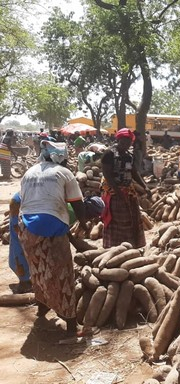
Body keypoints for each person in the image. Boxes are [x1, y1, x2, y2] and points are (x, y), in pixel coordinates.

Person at [19, 140, 87, 335]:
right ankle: (72, 326)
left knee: (39, 269)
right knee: (63, 274)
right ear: (62, 156)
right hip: (50, 224)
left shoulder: (29, 172)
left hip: (25, 226)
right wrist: (83, 223)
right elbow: (77, 203)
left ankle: (43, 306)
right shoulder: (63, 173)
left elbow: (27, 201)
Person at [101, 128, 150, 249]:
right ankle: (114, 246)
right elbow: (107, 175)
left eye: (128, 142)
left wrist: (145, 186)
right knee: (117, 218)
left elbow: (134, 173)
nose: (126, 144)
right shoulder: (109, 154)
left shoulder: (129, 156)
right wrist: (117, 191)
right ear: (118, 139)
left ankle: (132, 245)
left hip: (128, 190)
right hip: (113, 191)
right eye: (123, 141)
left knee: (133, 217)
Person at [8, 192, 31, 293]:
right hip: (22, 202)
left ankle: (25, 279)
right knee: (19, 240)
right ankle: (25, 282)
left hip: (22, 201)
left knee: (18, 239)